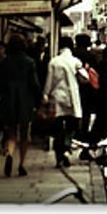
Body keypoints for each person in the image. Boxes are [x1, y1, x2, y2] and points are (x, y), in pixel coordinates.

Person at [0, 33, 41, 177]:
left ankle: (9, 154)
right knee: (24, 133)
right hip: (25, 101)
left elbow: (0, 84)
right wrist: (40, 98)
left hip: (9, 100)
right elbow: (34, 84)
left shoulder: (5, 62)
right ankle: (21, 164)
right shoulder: (29, 62)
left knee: (11, 133)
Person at [42, 37, 85, 167]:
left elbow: (49, 81)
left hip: (57, 97)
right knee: (72, 125)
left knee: (57, 127)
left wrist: (45, 94)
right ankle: (67, 147)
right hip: (72, 97)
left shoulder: (54, 62)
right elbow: (86, 78)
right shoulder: (76, 62)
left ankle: (58, 156)